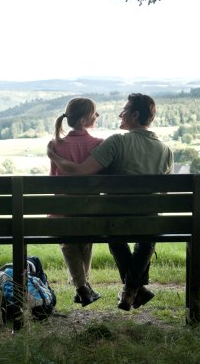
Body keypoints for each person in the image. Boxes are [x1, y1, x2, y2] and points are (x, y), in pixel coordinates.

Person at [47, 93, 173, 311]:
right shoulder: (166, 150)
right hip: (149, 222)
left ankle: (131, 290)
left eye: (124, 110)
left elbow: (81, 172)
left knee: (115, 235)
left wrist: (55, 156)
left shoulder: (117, 141)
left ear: (134, 115)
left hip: (117, 222)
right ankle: (134, 289)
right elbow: (163, 194)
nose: (119, 113)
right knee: (146, 236)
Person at [49, 97, 104, 307]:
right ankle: (83, 287)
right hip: (91, 212)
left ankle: (82, 288)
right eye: (94, 113)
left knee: (68, 242)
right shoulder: (98, 144)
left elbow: (53, 181)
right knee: (85, 241)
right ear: (83, 120)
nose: (97, 116)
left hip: (63, 212)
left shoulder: (55, 145)